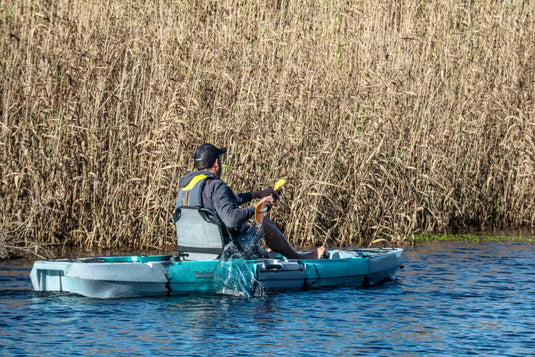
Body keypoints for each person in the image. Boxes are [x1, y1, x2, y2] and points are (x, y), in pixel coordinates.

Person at [175, 143, 325, 259]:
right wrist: (257, 208)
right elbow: (231, 219)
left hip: (195, 253)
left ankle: (265, 254)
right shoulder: (216, 185)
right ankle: (299, 257)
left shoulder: (187, 187)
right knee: (263, 223)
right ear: (216, 163)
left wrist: (257, 194)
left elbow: (227, 201)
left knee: (245, 227)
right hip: (223, 253)